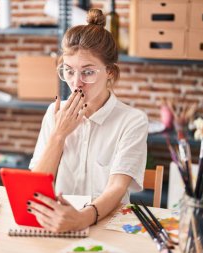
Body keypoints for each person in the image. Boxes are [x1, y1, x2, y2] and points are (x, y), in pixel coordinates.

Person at [28, 9, 148, 232]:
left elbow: (117, 188)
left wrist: (82, 219)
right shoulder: (54, 113)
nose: (76, 83)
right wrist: (59, 134)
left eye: (88, 72)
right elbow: (35, 187)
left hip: (108, 226)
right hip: (56, 224)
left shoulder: (133, 121)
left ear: (110, 72)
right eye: (69, 71)